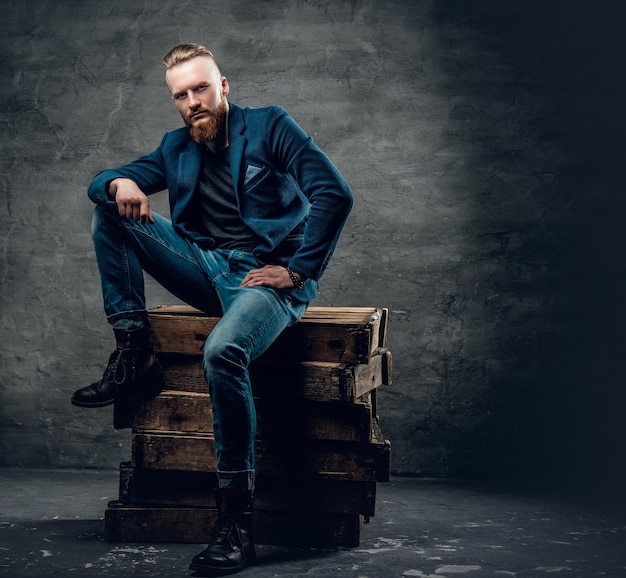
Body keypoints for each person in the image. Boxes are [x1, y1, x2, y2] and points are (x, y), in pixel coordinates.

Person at [71, 43, 353, 576]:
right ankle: (133, 353)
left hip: (263, 278)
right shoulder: (175, 147)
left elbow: (334, 194)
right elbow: (102, 182)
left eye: (201, 88)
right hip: (204, 265)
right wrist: (119, 181)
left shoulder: (270, 127)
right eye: (182, 95)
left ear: (224, 86)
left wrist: (297, 273)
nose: (193, 101)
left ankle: (234, 523)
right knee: (111, 213)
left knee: (223, 351)